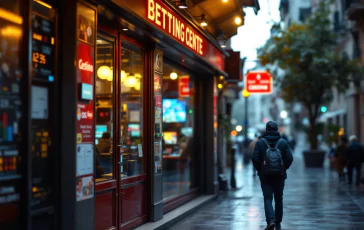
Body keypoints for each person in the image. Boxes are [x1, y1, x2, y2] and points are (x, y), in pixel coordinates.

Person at [252, 121, 293, 230]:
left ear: (266, 129)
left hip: (265, 176)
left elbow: (255, 158)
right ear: (277, 129)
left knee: (268, 198)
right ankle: (278, 220)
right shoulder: (283, 142)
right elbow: (290, 158)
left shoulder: (260, 143)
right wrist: (283, 169)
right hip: (279, 176)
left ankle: (271, 220)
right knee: (279, 198)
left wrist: (261, 170)